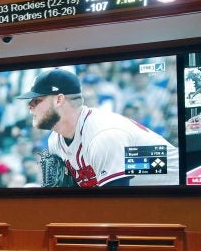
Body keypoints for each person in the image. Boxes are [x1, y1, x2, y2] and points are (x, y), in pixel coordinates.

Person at [18, 69, 179, 187]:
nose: (30, 106)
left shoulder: (103, 134)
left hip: (186, 192)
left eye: (37, 100)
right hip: (150, 204)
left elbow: (117, 209)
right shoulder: (55, 140)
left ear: (59, 100)